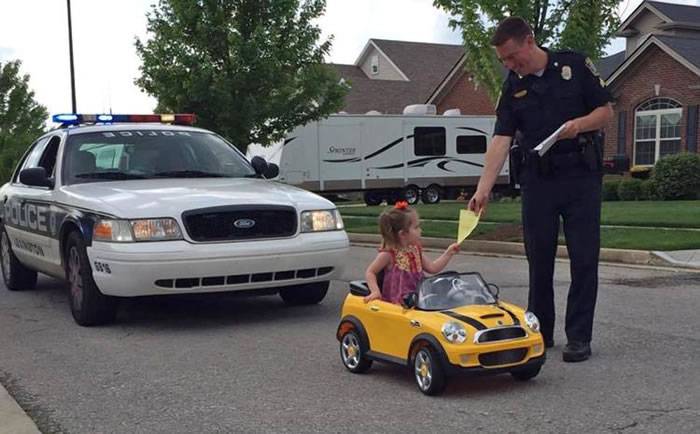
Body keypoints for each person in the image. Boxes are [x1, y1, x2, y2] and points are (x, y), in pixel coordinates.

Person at [468, 17, 614, 362]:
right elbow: (501, 139)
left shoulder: (574, 66)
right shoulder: (513, 86)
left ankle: (579, 337)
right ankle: (541, 331)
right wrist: (483, 188)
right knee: (539, 260)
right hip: (538, 181)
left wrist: (579, 125)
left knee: (583, 259)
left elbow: (606, 111)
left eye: (512, 56)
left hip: (580, 177)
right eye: (504, 60)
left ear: (530, 41)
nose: (509, 64)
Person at [365, 201, 460, 305]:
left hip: (419, 301)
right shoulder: (388, 254)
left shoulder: (415, 250)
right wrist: (375, 291)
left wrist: (448, 253)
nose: (420, 230)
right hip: (398, 305)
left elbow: (433, 268)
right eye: (416, 227)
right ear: (403, 234)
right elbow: (371, 272)